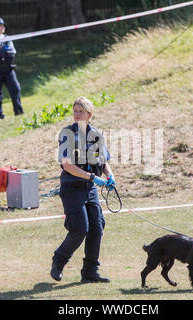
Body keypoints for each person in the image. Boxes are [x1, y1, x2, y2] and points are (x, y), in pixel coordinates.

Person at [51, 96, 116, 283]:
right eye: (75, 111)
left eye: (81, 111)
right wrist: (94, 178)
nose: (77, 114)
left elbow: (103, 161)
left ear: (90, 115)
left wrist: (110, 176)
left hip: (90, 188)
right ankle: (59, 260)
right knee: (80, 229)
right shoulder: (67, 134)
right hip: (72, 188)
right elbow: (68, 166)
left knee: (96, 228)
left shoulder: (95, 134)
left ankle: (90, 272)